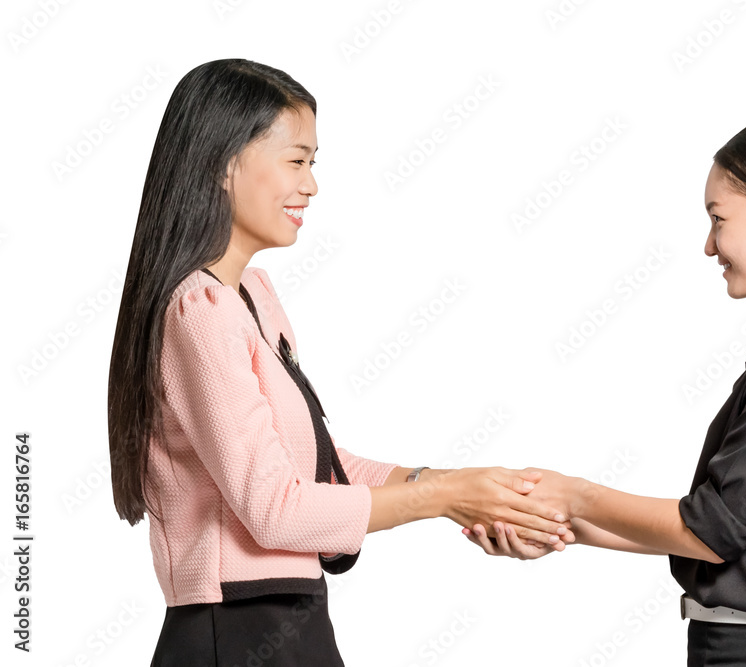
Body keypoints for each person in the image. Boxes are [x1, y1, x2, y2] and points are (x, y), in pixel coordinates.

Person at [106, 58, 573, 666]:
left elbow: (321, 465)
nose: (311, 185)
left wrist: (473, 489)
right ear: (225, 163)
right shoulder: (201, 311)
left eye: (312, 163)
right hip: (237, 630)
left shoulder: (252, 296)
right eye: (296, 160)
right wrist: (448, 496)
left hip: (289, 621)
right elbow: (274, 509)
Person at [465, 117, 746, 666]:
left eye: (719, 220)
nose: (709, 246)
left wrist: (575, 495)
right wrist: (558, 525)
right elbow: (722, 533)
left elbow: (709, 532)